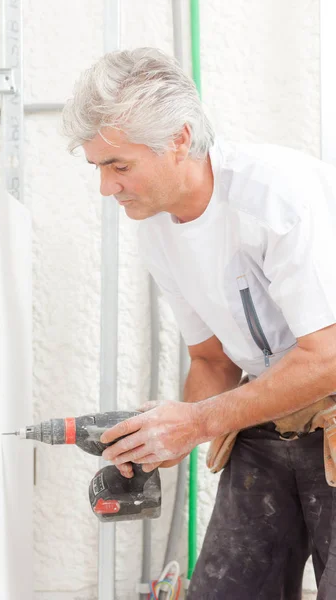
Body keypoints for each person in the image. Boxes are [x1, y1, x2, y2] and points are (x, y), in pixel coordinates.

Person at [63, 47, 336, 599]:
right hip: (267, 417)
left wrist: (197, 422)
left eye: (120, 165)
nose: (106, 187)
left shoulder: (279, 196)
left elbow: (327, 356)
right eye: (98, 167)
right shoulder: (158, 230)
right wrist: (164, 440)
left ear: (180, 140)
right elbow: (213, 358)